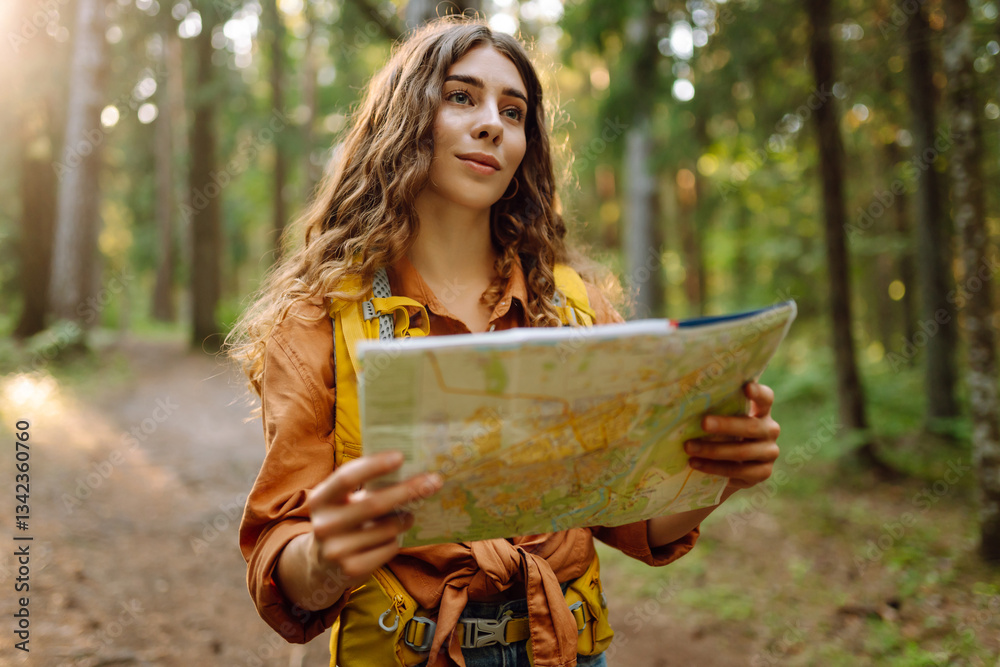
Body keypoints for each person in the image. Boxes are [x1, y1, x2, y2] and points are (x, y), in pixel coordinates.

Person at [227, 15, 781, 667]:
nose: (492, 121)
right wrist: (323, 556)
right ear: (402, 119)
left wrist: (713, 475)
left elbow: (635, 519)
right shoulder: (319, 316)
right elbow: (279, 556)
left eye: (512, 110)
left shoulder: (573, 305)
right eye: (460, 96)